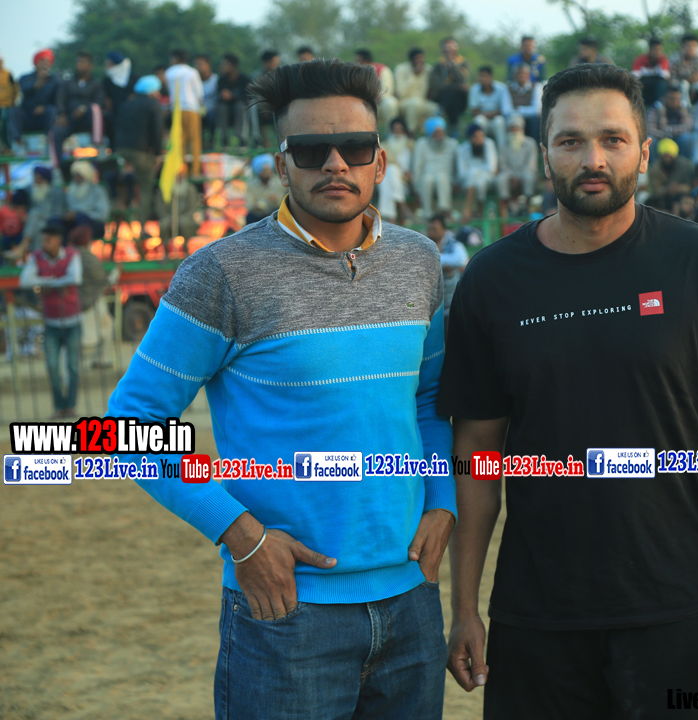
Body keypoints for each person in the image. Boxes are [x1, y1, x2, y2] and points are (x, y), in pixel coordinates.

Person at [107, 58, 455, 720]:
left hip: (412, 600)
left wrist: (443, 503)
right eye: (311, 149)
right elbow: (128, 423)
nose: (335, 164)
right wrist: (240, 535)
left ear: (380, 162)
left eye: (354, 147)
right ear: (281, 164)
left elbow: (429, 399)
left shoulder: (419, 261)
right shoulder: (222, 273)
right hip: (286, 610)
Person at [440, 64, 698, 719]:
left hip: (680, 604)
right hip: (536, 616)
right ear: (544, 154)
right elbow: (476, 454)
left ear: (644, 152)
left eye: (613, 139)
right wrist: (464, 608)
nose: (592, 159)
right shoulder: (491, 280)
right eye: (570, 141)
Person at [19, 222, 82, 418]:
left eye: (48, 240)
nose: (44, 243)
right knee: (53, 367)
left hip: (72, 320)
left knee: (72, 367)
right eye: (43, 240)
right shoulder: (37, 257)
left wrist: (46, 283)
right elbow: (25, 280)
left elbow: (76, 278)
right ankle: (60, 406)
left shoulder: (72, 255)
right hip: (51, 321)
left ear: (58, 240)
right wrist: (56, 282)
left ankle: (69, 405)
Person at [114, 75, 165, 230]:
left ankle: (117, 227)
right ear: (153, 91)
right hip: (140, 152)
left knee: (121, 189)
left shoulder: (127, 103)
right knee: (145, 189)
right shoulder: (153, 104)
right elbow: (157, 130)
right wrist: (157, 153)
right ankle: (141, 227)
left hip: (121, 150)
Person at [69, 224, 115, 365]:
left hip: (72, 303)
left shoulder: (68, 254)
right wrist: (116, 272)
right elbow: (103, 281)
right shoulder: (89, 258)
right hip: (92, 302)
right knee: (105, 329)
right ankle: (100, 360)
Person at [54, 52, 105, 159]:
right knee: (57, 132)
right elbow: (60, 99)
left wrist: (84, 109)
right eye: (78, 62)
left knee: (95, 109)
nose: (80, 65)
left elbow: (99, 101)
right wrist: (62, 114)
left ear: (90, 65)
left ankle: (97, 145)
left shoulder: (96, 84)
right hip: (70, 118)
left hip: (88, 118)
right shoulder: (67, 83)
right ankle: (59, 163)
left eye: (83, 62)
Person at [164, 49, 204, 177]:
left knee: (179, 141)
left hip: (176, 109)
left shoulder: (169, 72)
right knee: (195, 140)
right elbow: (199, 93)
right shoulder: (192, 72)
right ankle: (195, 171)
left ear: (175, 58)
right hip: (191, 108)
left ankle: (181, 171)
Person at [413, 116, 458, 219]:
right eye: (436, 133)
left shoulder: (453, 144)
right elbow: (417, 167)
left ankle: (445, 211)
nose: (439, 136)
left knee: (442, 177)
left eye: (441, 132)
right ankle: (428, 214)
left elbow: (456, 167)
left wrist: (456, 182)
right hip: (427, 177)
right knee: (427, 179)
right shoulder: (421, 144)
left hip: (447, 178)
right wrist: (416, 188)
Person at [426, 212, 468, 314]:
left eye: (435, 229)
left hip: (451, 302)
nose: (431, 232)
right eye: (430, 229)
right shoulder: (424, 246)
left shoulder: (453, 245)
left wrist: (436, 261)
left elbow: (462, 260)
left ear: (444, 230)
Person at [496, 115, 538, 216]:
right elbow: (503, 164)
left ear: (521, 129)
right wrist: (512, 176)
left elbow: (531, 164)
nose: (514, 131)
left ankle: (526, 207)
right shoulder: (503, 145)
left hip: (525, 172)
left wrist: (520, 176)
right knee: (501, 179)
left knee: (529, 177)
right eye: (512, 129)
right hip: (509, 174)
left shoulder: (530, 143)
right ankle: (508, 207)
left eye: (516, 128)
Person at [456, 123, 498, 223]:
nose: (480, 139)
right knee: (475, 177)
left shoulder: (489, 144)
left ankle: (468, 209)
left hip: (487, 178)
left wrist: (475, 171)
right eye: (476, 137)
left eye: (481, 136)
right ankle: (479, 212)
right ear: (470, 138)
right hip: (469, 179)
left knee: (478, 179)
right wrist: (475, 172)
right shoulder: (462, 149)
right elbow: (462, 173)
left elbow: (491, 168)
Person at [395, 48, 439, 136]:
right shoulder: (401, 69)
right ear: (411, 60)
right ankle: (411, 132)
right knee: (415, 103)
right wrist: (413, 75)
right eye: (417, 59)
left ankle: (428, 135)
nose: (420, 61)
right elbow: (401, 93)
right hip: (404, 102)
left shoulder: (428, 70)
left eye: (422, 58)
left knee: (435, 109)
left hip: (422, 102)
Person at [428, 37, 470, 130]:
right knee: (451, 93)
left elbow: (462, 79)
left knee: (455, 95)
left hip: (459, 98)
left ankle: (441, 113)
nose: (450, 50)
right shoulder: (438, 66)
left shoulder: (463, 63)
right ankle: (454, 128)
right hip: (442, 97)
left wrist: (453, 66)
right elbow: (437, 85)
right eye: (447, 47)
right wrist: (453, 86)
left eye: (452, 46)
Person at [18, 49, 60, 141]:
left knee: (51, 110)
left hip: (44, 115)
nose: (45, 64)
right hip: (28, 115)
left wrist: (44, 107)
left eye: (47, 61)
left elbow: (57, 100)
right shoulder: (25, 78)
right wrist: (38, 81)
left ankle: (49, 139)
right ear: (36, 62)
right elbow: (26, 89)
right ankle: (17, 141)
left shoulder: (54, 80)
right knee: (14, 111)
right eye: (42, 60)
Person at [466, 66, 512, 149]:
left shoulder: (502, 88)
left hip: (497, 119)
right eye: (480, 76)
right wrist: (492, 113)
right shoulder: (474, 89)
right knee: (479, 120)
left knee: (499, 121)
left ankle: (502, 149)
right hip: (484, 119)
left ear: (491, 77)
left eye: (484, 76)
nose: (481, 79)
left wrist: (485, 114)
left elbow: (504, 110)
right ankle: (481, 148)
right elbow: (474, 112)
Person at [379, 117, 415, 223]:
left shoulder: (411, 145)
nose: (397, 132)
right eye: (395, 129)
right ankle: (401, 203)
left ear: (404, 131)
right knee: (390, 172)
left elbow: (417, 164)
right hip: (393, 180)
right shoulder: (384, 146)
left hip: (406, 183)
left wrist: (411, 175)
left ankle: (391, 218)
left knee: (387, 178)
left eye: (400, 129)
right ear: (391, 131)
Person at [63, 160, 109, 240]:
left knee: (81, 218)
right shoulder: (70, 191)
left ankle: (81, 246)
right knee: (57, 222)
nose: (76, 178)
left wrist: (80, 214)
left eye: (79, 175)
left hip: (94, 225)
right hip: (74, 222)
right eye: (75, 175)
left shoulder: (98, 190)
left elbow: (102, 215)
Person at [647, 85, 696, 161]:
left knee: (687, 138)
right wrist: (665, 133)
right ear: (665, 98)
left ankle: (685, 164)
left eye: (677, 99)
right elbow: (650, 129)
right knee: (650, 140)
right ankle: (654, 166)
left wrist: (667, 130)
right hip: (660, 138)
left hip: (678, 138)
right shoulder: (656, 108)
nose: (674, 101)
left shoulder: (684, 108)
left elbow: (688, 126)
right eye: (671, 98)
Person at [354, 49, 399, 124]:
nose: (356, 63)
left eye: (359, 61)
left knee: (391, 103)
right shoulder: (356, 74)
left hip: (381, 103)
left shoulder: (383, 70)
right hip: (364, 103)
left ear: (366, 61)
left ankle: (391, 128)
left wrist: (376, 96)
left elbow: (387, 90)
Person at [646, 137, 693, 208]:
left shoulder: (685, 166)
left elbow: (691, 186)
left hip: (682, 196)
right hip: (663, 199)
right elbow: (656, 190)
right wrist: (668, 190)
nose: (667, 159)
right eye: (665, 156)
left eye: (669, 156)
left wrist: (679, 188)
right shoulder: (655, 169)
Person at [101, 51, 135, 149]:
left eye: (109, 64)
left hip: (132, 113)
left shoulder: (134, 79)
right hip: (114, 115)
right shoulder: (107, 81)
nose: (107, 67)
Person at [248, 50, 281, 148]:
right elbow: (254, 95)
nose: (276, 64)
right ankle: (257, 139)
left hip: (277, 104)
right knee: (253, 107)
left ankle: (282, 138)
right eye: (273, 62)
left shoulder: (281, 75)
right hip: (261, 107)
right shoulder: (256, 76)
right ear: (265, 63)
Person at [216, 54, 250, 147]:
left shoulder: (244, 79)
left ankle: (242, 139)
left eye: (224, 64)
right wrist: (223, 96)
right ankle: (224, 139)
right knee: (221, 107)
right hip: (226, 109)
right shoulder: (221, 80)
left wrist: (232, 96)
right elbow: (218, 97)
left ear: (233, 66)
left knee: (240, 106)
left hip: (240, 109)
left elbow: (247, 97)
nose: (222, 67)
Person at [669, 33, 698, 105]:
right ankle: (685, 106)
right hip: (680, 85)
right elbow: (672, 79)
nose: (691, 48)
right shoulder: (675, 60)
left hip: (696, 85)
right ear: (682, 47)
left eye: (693, 46)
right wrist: (687, 80)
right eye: (688, 46)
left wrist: (693, 79)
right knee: (684, 84)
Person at [632, 38, 670, 107]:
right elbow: (635, 75)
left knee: (662, 84)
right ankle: (637, 105)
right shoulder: (640, 60)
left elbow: (665, 75)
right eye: (655, 50)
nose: (657, 52)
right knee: (636, 85)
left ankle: (659, 105)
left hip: (656, 86)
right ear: (649, 50)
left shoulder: (663, 60)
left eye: (659, 50)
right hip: (644, 85)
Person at [245, 154, 283, 225]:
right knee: (249, 217)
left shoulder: (279, 183)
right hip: (257, 215)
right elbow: (250, 205)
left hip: (274, 214)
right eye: (264, 170)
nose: (267, 172)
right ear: (259, 171)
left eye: (268, 169)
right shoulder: (251, 185)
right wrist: (257, 206)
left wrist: (276, 200)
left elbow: (283, 202)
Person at [194, 54, 218, 147]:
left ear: (208, 65)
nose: (198, 67)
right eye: (196, 64)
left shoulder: (216, 80)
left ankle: (212, 141)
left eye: (200, 64)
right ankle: (200, 143)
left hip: (213, 110)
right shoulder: (193, 81)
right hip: (197, 110)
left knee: (212, 116)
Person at [0, 53, 17, 152]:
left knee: (5, 122)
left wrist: (13, 101)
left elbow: (15, 88)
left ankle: (7, 146)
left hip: (6, 105)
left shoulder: (8, 74)